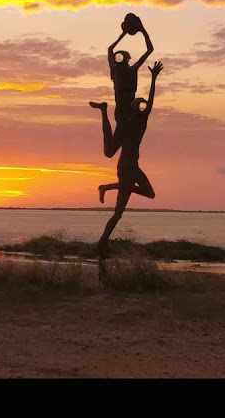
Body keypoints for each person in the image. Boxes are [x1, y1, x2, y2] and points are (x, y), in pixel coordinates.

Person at [88, 60, 163, 276]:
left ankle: (107, 187)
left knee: (149, 193)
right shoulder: (135, 123)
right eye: (138, 105)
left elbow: (149, 104)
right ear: (135, 110)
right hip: (127, 167)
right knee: (118, 213)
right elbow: (149, 103)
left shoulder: (137, 121)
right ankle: (102, 244)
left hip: (132, 166)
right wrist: (154, 78)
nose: (142, 107)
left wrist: (154, 80)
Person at [106, 16, 153, 123]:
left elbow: (150, 50)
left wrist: (142, 30)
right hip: (122, 110)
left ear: (127, 59)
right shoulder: (117, 70)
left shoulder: (128, 70)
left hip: (129, 109)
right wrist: (126, 33)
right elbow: (110, 49)